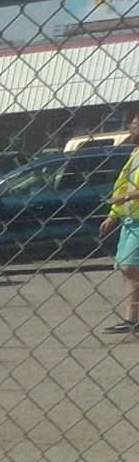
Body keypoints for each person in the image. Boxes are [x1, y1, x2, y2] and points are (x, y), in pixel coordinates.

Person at [110, 104, 139, 333]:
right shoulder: (135, 153)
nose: (132, 127)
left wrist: (128, 195)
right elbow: (122, 185)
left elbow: (129, 190)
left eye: (137, 124)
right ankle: (131, 319)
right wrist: (113, 215)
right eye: (132, 123)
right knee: (127, 268)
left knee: (131, 266)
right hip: (130, 220)